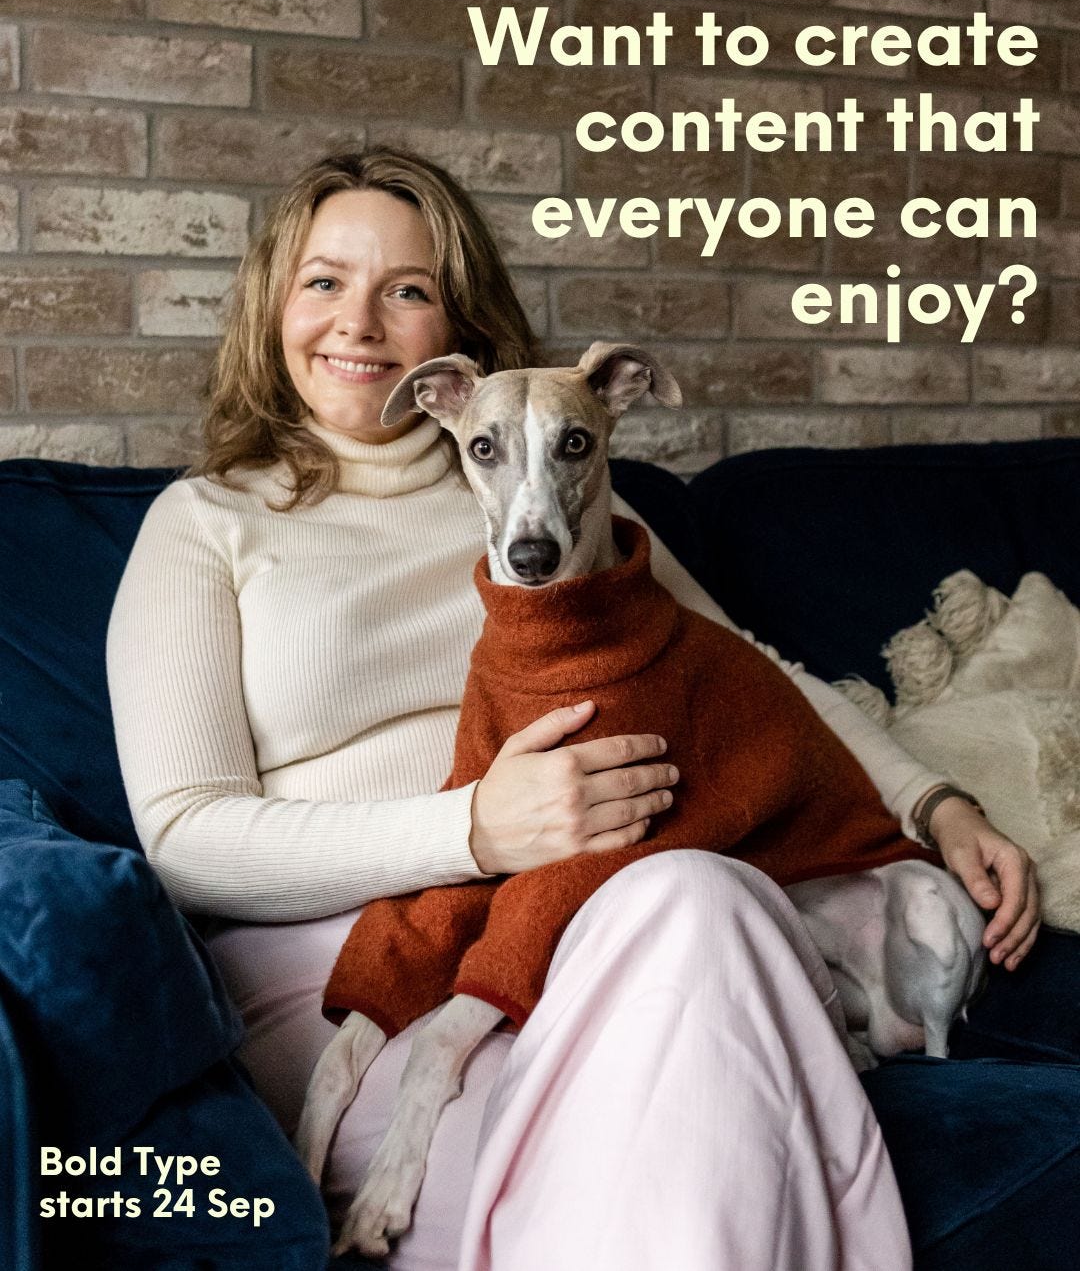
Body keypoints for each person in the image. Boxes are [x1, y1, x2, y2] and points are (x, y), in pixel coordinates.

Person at [107, 149, 1040, 1271]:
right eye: (324, 281)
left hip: (595, 917)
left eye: (405, 287)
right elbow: (185, 841)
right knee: (596, 1145)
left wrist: (936, 806)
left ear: (452, 327)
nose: (359, 321)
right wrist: (472, 829)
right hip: (359, 956)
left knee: (699, 889)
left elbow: (750, 672)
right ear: (274, 303)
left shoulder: (568, 491)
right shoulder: (205, 524)